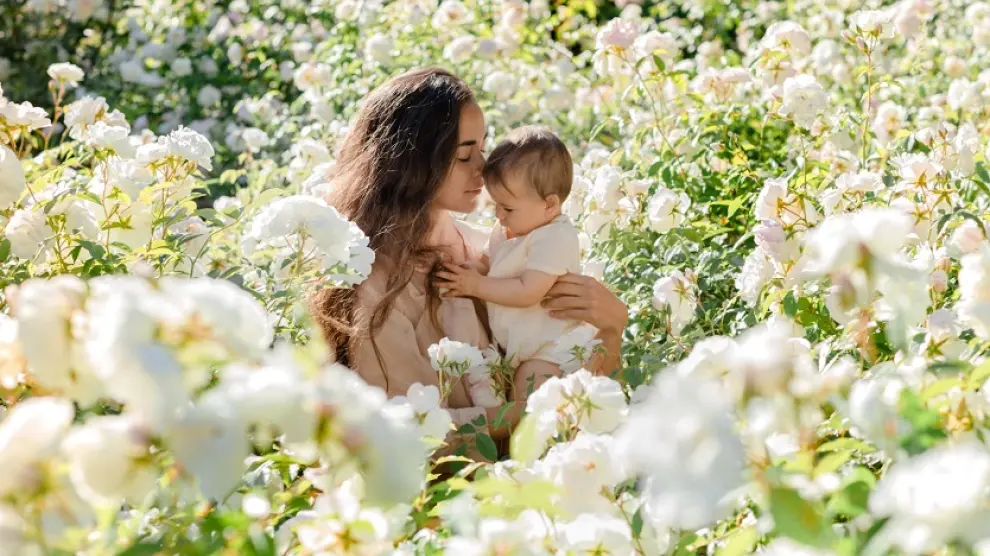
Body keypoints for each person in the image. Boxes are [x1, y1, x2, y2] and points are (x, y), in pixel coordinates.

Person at [310, 67, 627, 447]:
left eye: (482, 147)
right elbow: (406, 430)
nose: (485, 167)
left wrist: (612, 328)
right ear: (414, 162)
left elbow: (582, 383)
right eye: (464, 155)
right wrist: (539, 410)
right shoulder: (375, 285)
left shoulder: (496, 249)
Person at [437, 126, 595, 402]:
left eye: (507, 208)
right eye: (495, 204)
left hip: (549, 351)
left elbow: (527, 291)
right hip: (516, 348)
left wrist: (476, 285)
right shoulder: (510, 227)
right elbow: (490, 263)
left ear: (550, 205)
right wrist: (472, 271)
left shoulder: (554, 236)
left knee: (531, 402)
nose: (499, 215)